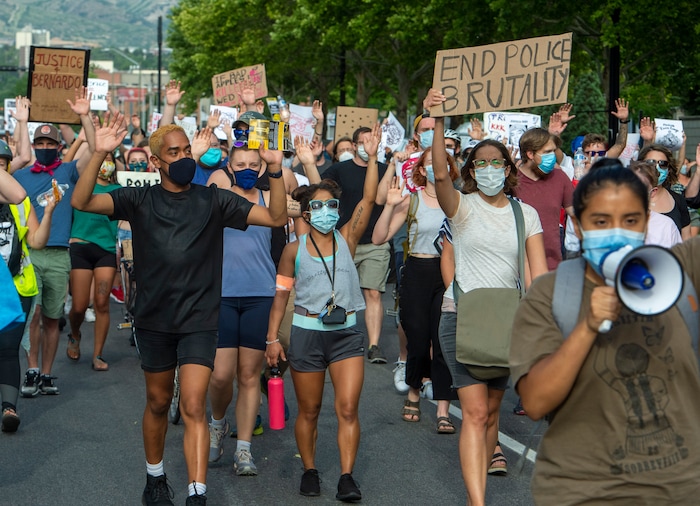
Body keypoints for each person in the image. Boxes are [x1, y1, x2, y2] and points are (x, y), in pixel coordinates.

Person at [71, 115, 287, 506]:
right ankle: (155, 478)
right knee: (157, 402)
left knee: (192, 404)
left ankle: (196, 493)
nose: (185, 157)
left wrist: (274, 168)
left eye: (188, 150)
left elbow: (274, 217)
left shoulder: (214, 199)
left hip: (200, 321)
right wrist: (101, 150)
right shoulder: (138, 199)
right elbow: (81, 200)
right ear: (156, 162)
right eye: (174, 152)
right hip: (154, 320)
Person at [510, 161, 700, 504]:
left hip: (681, 490)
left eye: (630, 220)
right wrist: (588, 327)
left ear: (647, 223)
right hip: (585, 492)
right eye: (600, 221)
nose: (617, 232)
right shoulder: (551, 294)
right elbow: (536, 402)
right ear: (579, 228)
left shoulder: (681, 271)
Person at [425, 88, 548, 506]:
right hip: (461, 318)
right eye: (483, 163)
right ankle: (477, 502)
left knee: (492, 415)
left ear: (508, 168)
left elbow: (538, 274)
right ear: (473, 171)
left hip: (506, 323)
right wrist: (439, 121)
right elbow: (441, 175)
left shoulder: (524, 214)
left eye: (498, 162)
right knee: (475, 414)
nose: (491, 169)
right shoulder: (461, 207)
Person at [265, 123, 380, 502]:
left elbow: (369, 196)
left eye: (332, 206)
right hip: (307, 334)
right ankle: (310, 469)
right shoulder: (293, 250)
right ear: (307, 212)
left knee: (348, 408)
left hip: (347, 333)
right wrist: (271, 340)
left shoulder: (348, 238)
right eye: (319, 206)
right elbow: (280, 298)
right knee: (310, 410)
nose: (327, 211)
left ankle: (347, 476)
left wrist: (374, 156)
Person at [13, 87, 95, 397]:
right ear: (34, 145)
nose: (45, 146)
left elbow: (95, 148)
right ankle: (31, 368)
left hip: (60, 255)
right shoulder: (22, 175)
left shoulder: (69, 171)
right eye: (40, 142)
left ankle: (47, 373)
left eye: (50, 142)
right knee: (31, 316)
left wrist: (85, 116)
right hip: (30, 255)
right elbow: (18, 155)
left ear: (59, 146)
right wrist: (22, 122)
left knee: (51, 317)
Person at [372, 147, 459, 433]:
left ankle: (444, 408)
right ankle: (413, 391)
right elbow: (378, 238)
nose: (437, 167)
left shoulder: (459, 201)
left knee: (443, 341)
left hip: (448, 275)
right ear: (421, 170)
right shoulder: (411, 201)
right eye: (431, 163)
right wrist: (389, 206)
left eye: (443, 162)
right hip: (417, 273)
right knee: (418, 341)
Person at [205, 142, 279, 476]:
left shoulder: (267, 202)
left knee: (249, 376)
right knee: (220, 375)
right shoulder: (218, 196)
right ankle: (218, 423)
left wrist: (275, 165)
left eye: (254, 163)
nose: (248, 167)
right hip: (221, 294)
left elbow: (286, 204)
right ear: (229, 167)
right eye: (240, 163)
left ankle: (244, 450)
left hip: (258, 295)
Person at [323, 126, 389, 363]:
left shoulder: (383, 169)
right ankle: (340, 338)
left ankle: (373, 345)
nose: (366, 146)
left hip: (374, 241)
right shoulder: (339, 169)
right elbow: (319, 192)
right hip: (344, 239)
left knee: (373, 292)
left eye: (371, 141)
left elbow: (385, 199)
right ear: (353, 145)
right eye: (362, 142)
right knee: (341, 291)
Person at [66, 151, 121, 371]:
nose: (106, 163)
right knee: (79, 306)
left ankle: (98, 354)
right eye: (102, 158)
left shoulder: (118, 191)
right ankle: (75, 333)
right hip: (80, 247)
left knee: (101, 303)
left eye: (110, 159)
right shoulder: (82, 185)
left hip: (106, 251)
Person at [517, 127, 574, 271]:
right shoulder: (511, 181)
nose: (553, 156)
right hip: (517, 269)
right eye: (547, 152)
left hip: (552, 268)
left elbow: (577, 214)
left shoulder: (560, 178)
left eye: (553, 151)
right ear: (530, 154)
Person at [638, 143, 691, 239]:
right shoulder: (629, 199)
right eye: (650, 162)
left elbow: (687, 242)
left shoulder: (678, 200)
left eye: (663, 164)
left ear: (669, 169)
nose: (657, 168)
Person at [629, 160, 682, 247]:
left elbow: (677, 258)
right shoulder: (612, 223)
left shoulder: (667, 226)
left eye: (641, 188)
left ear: (653, 192)